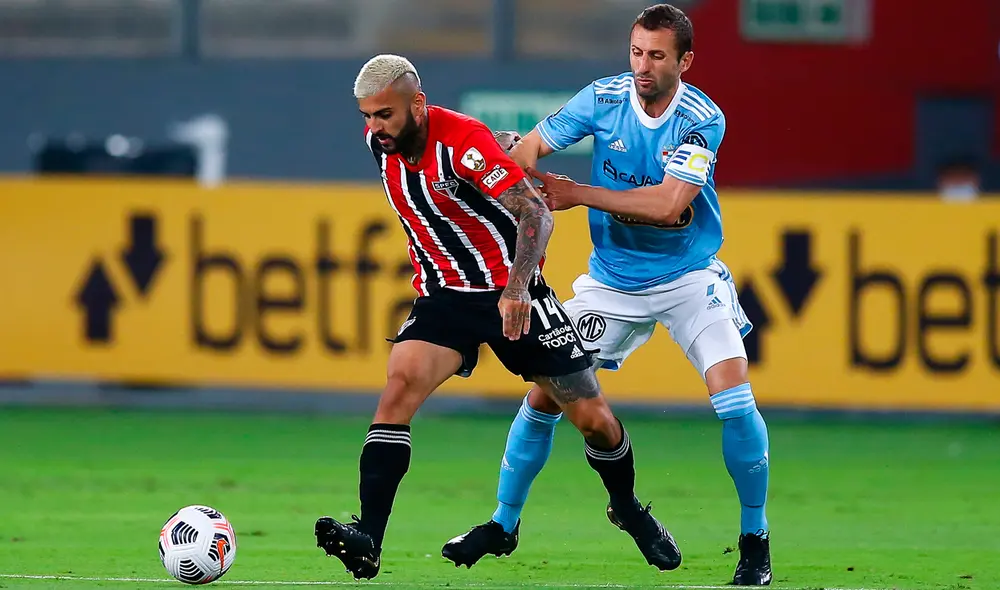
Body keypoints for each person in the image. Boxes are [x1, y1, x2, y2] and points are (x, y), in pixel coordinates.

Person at [314, 53, 681, 580]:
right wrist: (498, 142)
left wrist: (516, 288)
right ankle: (369, 538)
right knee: (398, 389)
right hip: (444, 298)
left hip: (512, 294)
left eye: (385, 114)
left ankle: (626, 507)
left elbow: (536, 212)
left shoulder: (461, 143)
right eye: (367, 116)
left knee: (594, 422)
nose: (376, 127)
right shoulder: (382, 142)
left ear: (418, 104)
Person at [443, 4, 772, 586]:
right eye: (637, 52)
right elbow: (529, 151)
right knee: (546, 397)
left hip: (688, 278)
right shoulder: (603, 98)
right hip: (611, 283)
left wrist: (578, 193)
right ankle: (503, 523)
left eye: (657, 56)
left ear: (685, 62)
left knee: (734, 397)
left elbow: (669, 205)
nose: (643, 66)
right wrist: (504, 167)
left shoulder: (701, 118)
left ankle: (754, 540)